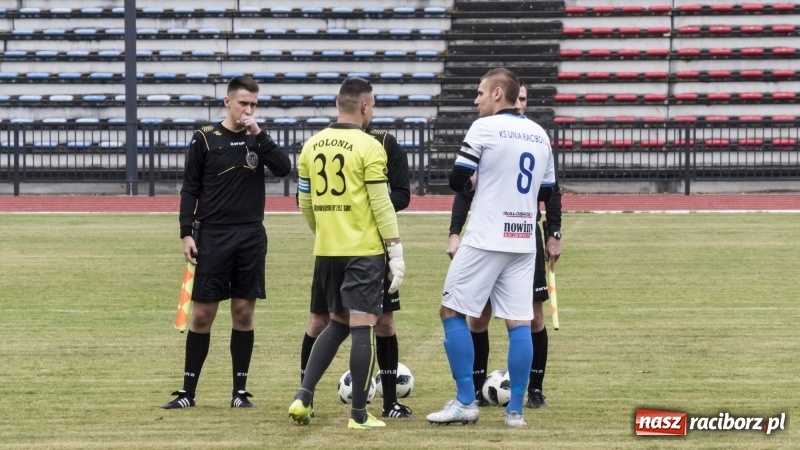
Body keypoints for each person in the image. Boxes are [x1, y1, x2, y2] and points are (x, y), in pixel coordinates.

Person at [426, 68, 555, 428]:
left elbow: (456, 179)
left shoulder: (483, 127)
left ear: (499, 93)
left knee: (450, 311)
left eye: (481, 92)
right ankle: (515, 411)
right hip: (523, 239)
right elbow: (546, 192)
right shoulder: (540, 134)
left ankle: (466, 401)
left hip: (485, 237)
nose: (476, 99)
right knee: (519, 323)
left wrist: (479, 184)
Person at [162, 76, 292, 409]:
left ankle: (240, 393)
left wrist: (259, 133)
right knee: (203, 314)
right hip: (213, 235)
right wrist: (186, 231)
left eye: (253, 104)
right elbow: (190, 188)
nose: (248, 109)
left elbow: (283, 168)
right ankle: (187, 393)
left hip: (250, 235)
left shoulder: (258, 140)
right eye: (243, 103)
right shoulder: (205, 138)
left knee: (243, 312)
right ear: (228, 102)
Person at [288, 77, 406, 430]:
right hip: (363, 251)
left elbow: (304, 201)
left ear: (338, 103)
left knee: (336, 323)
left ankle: (303, 396)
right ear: (365, 106)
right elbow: (382, 204)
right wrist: (395, 251)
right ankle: (358, 415)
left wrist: (321, 231)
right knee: (362, 327)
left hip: (327, 249)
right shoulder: (370, 147)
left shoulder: (312, 145)